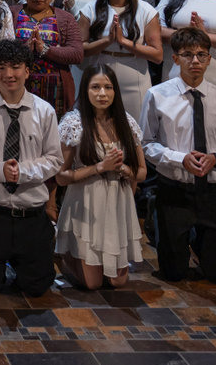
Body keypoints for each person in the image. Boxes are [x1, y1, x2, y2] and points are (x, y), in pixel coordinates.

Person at [141, 28, 216, 284]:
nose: (195, 61)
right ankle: (164, 226)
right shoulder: (158, 95)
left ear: (209, 59)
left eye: (201, 55)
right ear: (176, 59)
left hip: (211, 191)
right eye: (187, 55)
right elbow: (146, 143)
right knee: (173, 274)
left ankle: (200, 242)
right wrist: (180, 159)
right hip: (175, 190)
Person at [0, 38, 64, 295]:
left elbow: (54, 158)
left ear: (27, 71)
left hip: (30, 214)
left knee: (37, 288)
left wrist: (23, 172)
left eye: (15, 67)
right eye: (1, 67)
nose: (8, 74)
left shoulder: (44, 111)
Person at [54, 65, 147, 289]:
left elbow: (142, 172)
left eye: (108, 87)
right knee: (92, 284)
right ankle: (64, 254)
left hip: (117, 203)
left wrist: (122, 168)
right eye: (95, 87)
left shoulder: (126, 122)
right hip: (86, 203)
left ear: (115, 91)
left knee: (117, 282)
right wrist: (99, 167)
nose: (102, 94)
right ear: (85, 90)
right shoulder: (74, 123)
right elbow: (61, 177)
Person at [79, 0, 163, 120]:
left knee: (135, 128)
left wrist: (124, 42)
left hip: (134, 80)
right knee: (97, 125)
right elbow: (80, 50)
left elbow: (157, 55)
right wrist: (108, 41)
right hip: (99, 77)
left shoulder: (146, 10)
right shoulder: (90, 9)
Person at [11, 0, 82, 120]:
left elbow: (77, 54)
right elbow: (2, 51)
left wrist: (45, 49)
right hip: (19, 86)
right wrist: (25, 50)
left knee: (55, 130)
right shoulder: (12, 14)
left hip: (57, 89)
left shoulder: (65, 18)